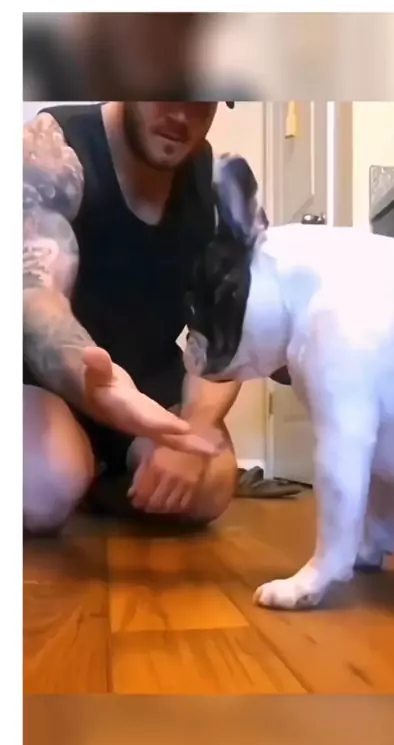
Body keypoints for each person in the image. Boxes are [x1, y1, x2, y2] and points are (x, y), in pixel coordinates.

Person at [23, 100, 243, 535]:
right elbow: (34, 294)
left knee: (212, 484)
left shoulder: (218, 186)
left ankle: (102, 482)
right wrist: (96, 384)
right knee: (44, 487)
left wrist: (194, 428)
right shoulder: (53, 148)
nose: (180, 115)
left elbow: (225, 331)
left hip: (148, 391)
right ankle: (81, 475)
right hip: (51, 383)